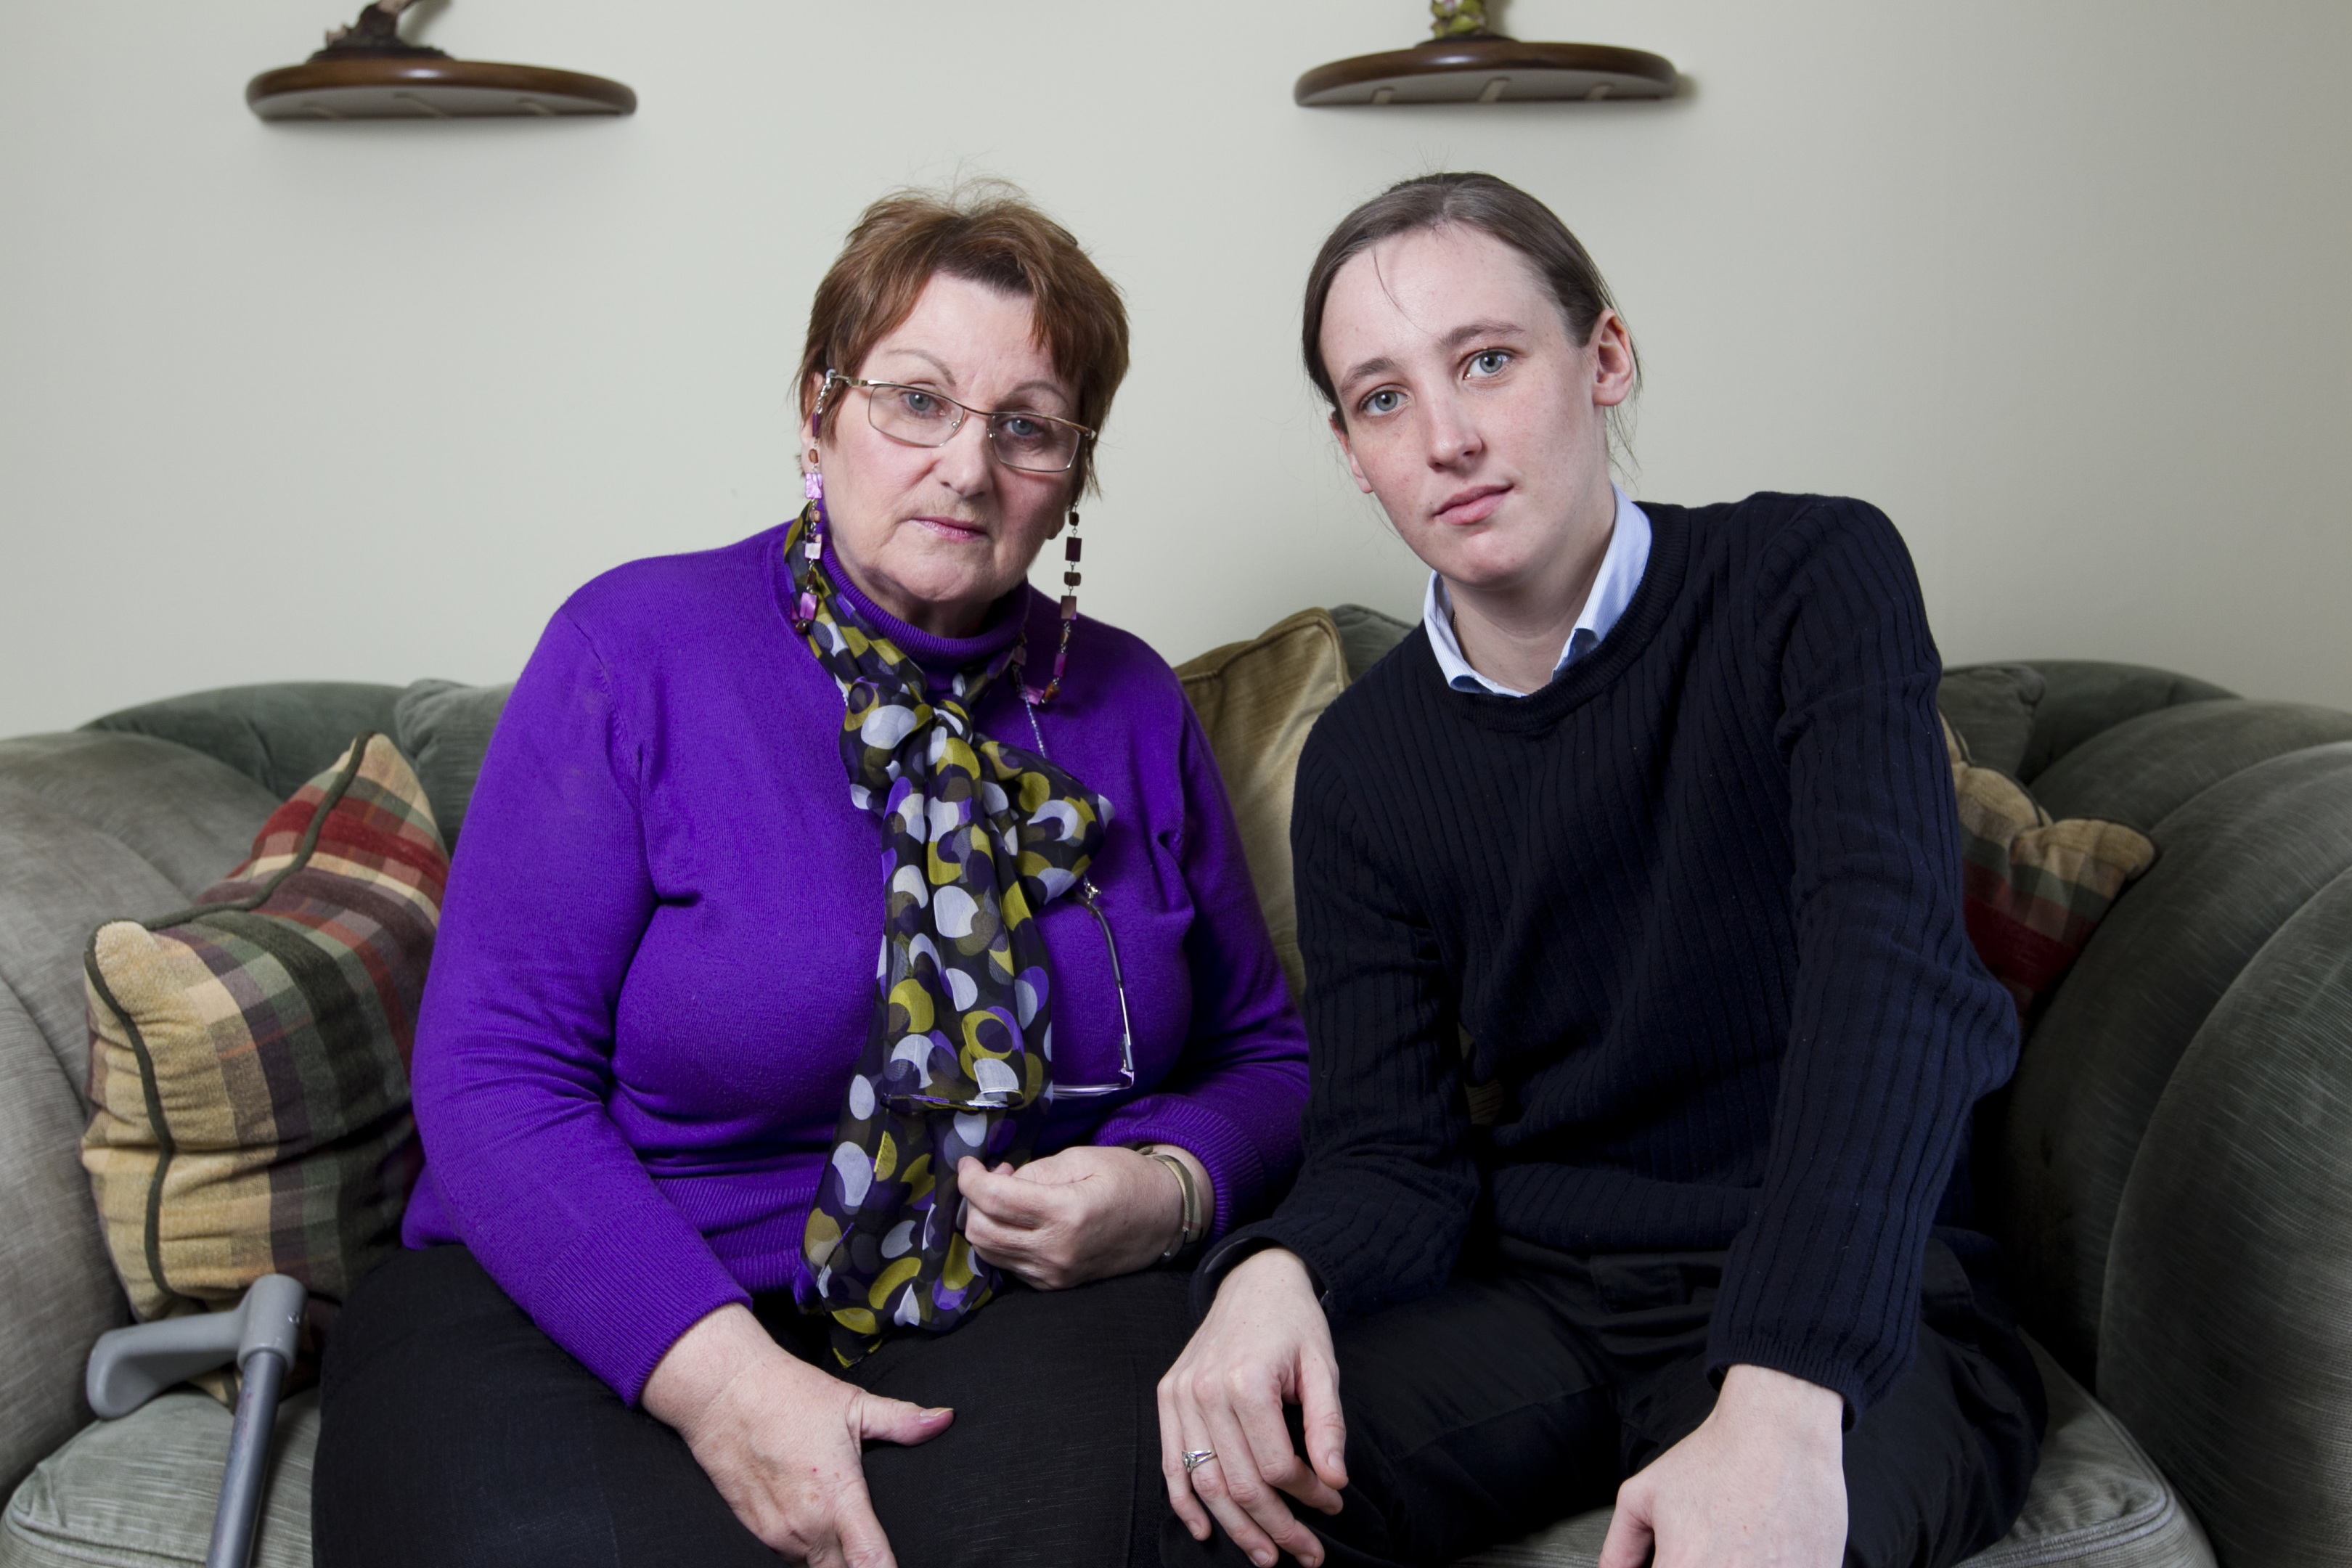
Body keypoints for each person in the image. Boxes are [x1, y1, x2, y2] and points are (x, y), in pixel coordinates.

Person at [313, 183, 1310, 1568]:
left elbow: (1267, 1056)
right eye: (916, 401)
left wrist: (1174, 1186)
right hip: (599, 1288)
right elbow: (491, 1077)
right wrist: (725, 1383)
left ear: (1071, 473)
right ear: (817, 411)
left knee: (1136, 1525)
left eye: (1027, 426)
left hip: (1002, 1305)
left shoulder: (1129, 704)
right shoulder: (634, 649)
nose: (966, 469)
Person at [1155, 173, 2045, 1568]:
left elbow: (1894, 987)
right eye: (1384, 400)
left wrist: (1785, 1385)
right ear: (1352, 452)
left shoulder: (1811, 578)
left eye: (1488, 362)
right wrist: (1277, 1268)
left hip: (1863, 1286)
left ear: (1605, 359)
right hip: (1554, 1296)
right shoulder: (1363, 765)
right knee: (1224, 1503)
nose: (1446, 439)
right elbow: (1392, 1152)